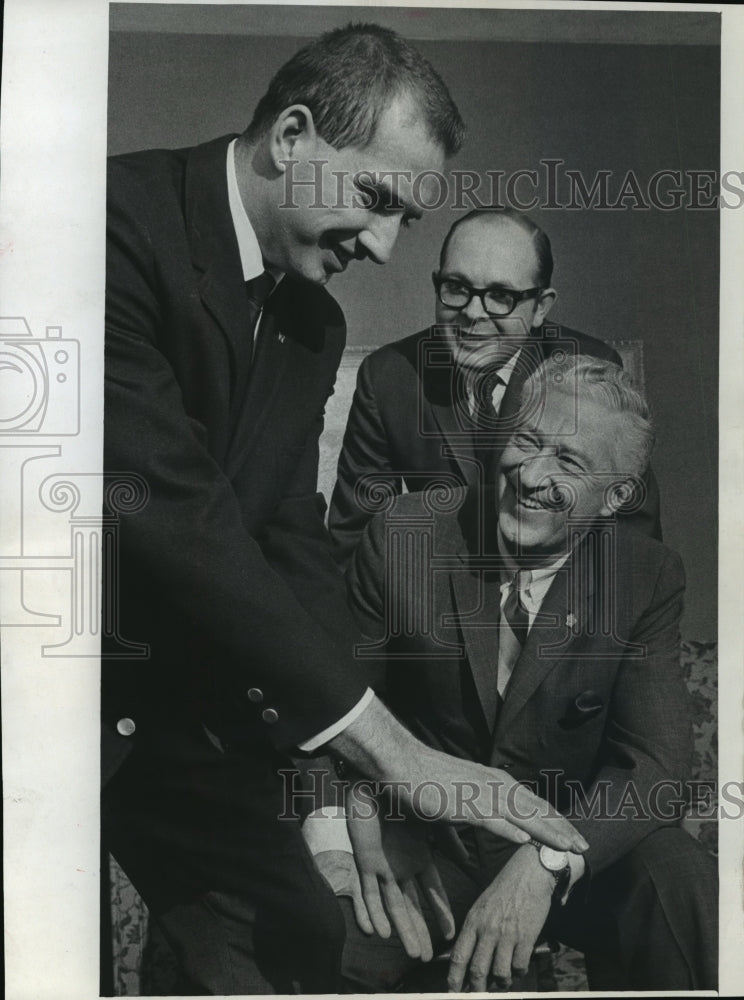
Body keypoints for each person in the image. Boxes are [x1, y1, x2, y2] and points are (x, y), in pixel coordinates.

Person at [101, 24, 585, 995]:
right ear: (291, 135)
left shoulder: (312, 323)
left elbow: (287, 532)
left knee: (302, 940)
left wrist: (360, 785)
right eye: (375, 200)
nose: (385, 246)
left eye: (407, 218)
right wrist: (393, 751)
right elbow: (174, 514)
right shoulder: (105, 220)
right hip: (48, 703)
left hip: (184, 725)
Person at [320, 355, 716, 992]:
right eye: (526, 442)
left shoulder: (646, 576)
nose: (530, 474)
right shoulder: (405, 535)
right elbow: (332, 705)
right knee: (328, 930)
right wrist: (356, 824)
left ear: (615, 496)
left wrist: (549, 860)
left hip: (568, 847)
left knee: (680, 874)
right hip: (428, 850)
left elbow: (656, 763)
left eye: (568, 460)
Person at [329, 208, 662, 566]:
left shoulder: (585, 364)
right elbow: (356, 539)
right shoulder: (389, 376)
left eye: (501, 296)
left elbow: (631, 538)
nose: (472, 313)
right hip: (436, 599)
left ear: (540, 308)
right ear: (436, 284)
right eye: (456, 288)